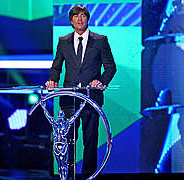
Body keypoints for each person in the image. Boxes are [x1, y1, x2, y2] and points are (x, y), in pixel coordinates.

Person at [45, 5, 116, 179]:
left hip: (91, 98)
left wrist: (101, 81)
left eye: (83, 15)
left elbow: (110, 68)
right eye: (76, 16)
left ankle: (88, 175)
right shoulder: (63, 41)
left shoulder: (100, 40)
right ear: (71, 20)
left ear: (87, 19)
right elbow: (57, 65)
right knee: (68, 140)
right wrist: (53, 80)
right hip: (69, 99)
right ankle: (68, 175)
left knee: (90, 141)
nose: (80, 18)